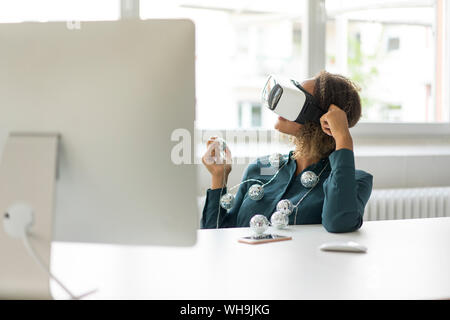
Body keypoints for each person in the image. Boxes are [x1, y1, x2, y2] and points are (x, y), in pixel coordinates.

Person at [201, 71, 373, 233]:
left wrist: (343, 138)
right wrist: (219, 177)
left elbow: (339, 223)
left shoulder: (355, 182)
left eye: (298, 100)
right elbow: (217, 235)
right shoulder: (261, 168)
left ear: (325, 118)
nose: (282, 105)